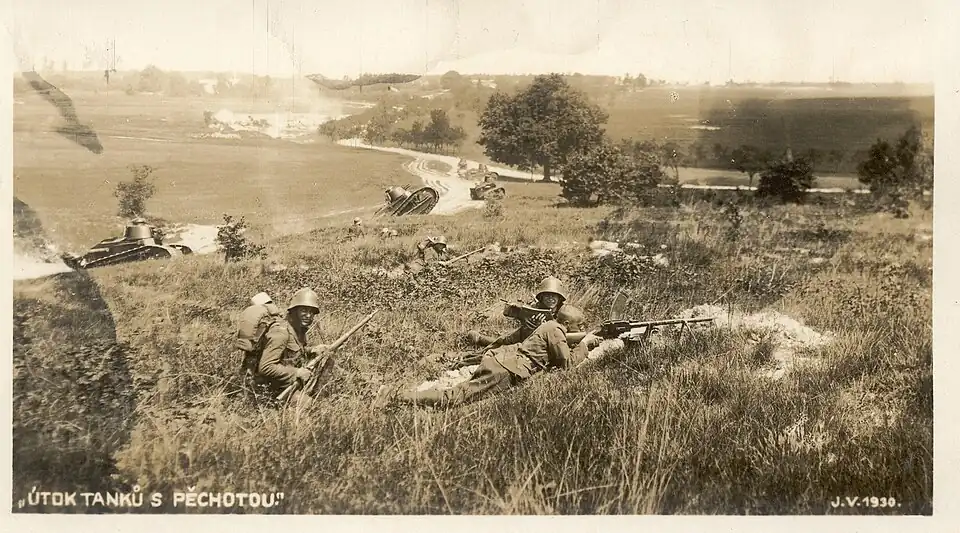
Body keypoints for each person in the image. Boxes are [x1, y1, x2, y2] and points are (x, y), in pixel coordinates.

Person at [388, 305, 600, 408]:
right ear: (566, 324)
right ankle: (396, 396)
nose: (581, 328)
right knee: (454, 399)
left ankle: (401, 396)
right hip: (505, 370)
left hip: (504, 362)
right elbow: (567, 365)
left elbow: (554, 356)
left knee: (460, 394)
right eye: (578, 326)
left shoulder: (550, 325)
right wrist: (584, 344)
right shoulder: (556, 330)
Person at [252, 288, 330, 405]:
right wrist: (297, 372)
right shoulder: (281, 333)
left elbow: (291, 353)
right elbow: (266, 367)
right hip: (269, 387)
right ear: (294, 310)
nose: (308, 315)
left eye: (311, 312)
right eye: (304, 310)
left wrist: (312, 350)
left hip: (285, 381)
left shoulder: (298, 330)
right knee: (310, 405)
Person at [464, 276, 568, 350]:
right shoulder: (536, 308)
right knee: (506, 341)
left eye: (554, 296)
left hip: (549, 342)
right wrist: (530, 324)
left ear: (560, 298)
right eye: (547, 296)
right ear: (541, 297)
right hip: (528, 337)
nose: (550, 299)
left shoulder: (565, 311)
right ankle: (481, 339)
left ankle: (482, 340)